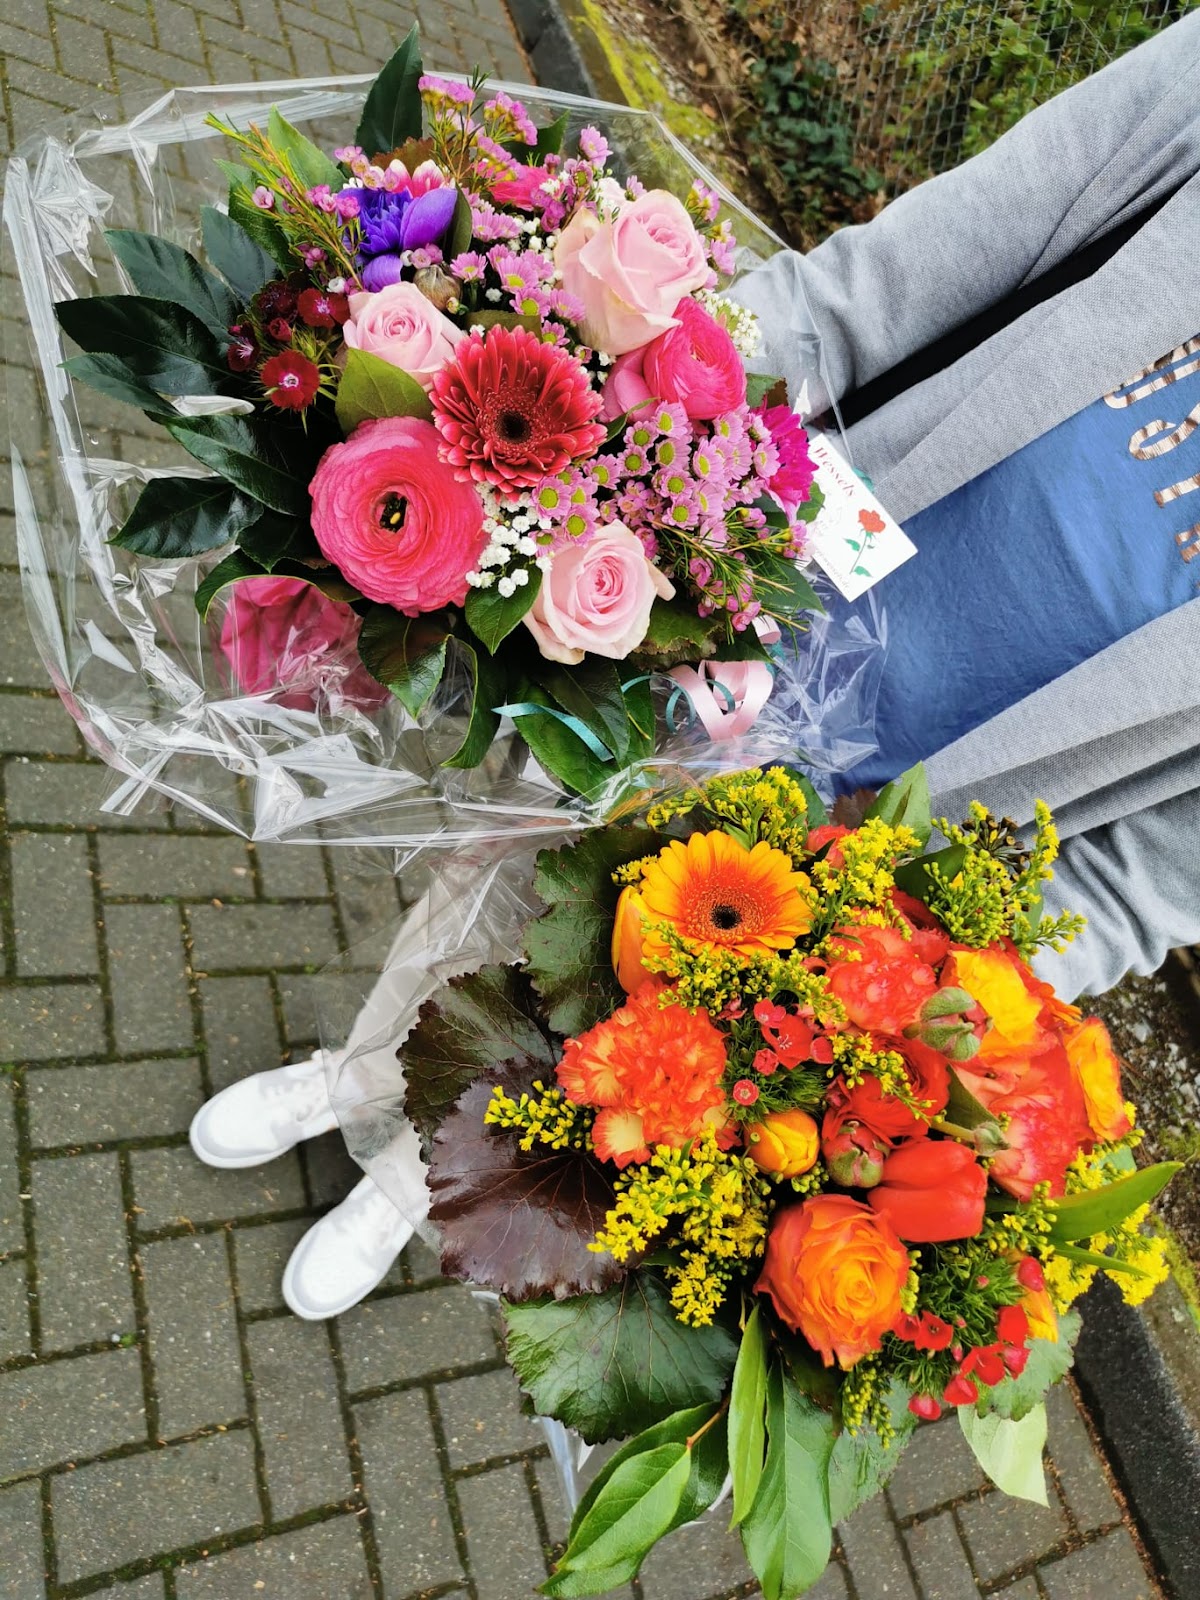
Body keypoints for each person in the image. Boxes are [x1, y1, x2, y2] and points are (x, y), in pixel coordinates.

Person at [737, 10, 1200, 1001]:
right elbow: (867, 292)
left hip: (861, 885)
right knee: (481, 858)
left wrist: (926, 998)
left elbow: (1136, 886)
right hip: (729, 567)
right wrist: (638, 402)